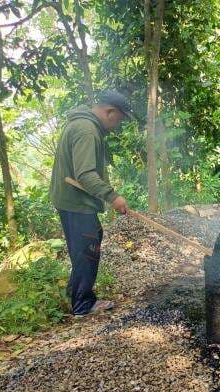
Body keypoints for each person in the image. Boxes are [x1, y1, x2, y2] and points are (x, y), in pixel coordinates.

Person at [50, 91, 133, 317]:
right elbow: (85, 174)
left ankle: (75, 293)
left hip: (72, 201)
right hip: (77, 203)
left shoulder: (83, 125)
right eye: (119, 120)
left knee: (86, 245)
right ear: (109, 112)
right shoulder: (87, 131)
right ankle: (82, 305)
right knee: (87, 250)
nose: (117, 126)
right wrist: (113, 197)